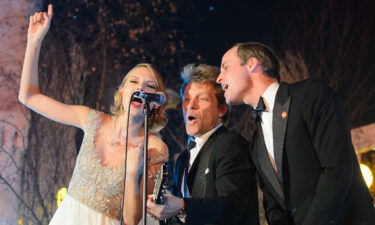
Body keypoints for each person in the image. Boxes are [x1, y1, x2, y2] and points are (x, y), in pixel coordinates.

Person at [19, 5, 168, 225]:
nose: (141, 89)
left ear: (156, 103)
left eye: (150, 86)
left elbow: (132, 220)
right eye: (134, 82)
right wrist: (34, 42)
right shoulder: (91, 119)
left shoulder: (154, 148)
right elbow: (29, 97)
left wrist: (131, 173)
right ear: (121, 92)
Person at [216, 42, 375, 225]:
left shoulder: (310, 94)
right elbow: (273, 205)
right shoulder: (255, 143)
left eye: (225, 67)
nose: (219, 78)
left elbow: (337, 168)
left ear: (252, 64)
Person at [146, 64, 259, 225]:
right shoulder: (183, 158)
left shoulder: (230, 144)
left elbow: (231, 206)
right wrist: (161, 208)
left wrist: (182, 205)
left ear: (221, 109)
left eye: (202, 98)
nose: (191, 105)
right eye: (187, 99)